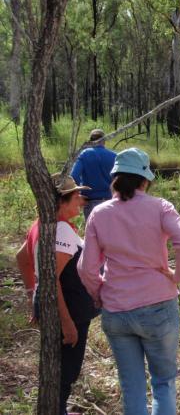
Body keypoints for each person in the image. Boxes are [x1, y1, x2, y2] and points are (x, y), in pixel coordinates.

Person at [78, 148, 180, 415]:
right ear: (145, 180)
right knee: (164, 382)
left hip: (117, 309)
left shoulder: (99, 213)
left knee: (131, 386)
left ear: (115, 179)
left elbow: (86, 268)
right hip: (158, 305)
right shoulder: (160, 207)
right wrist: (178, 276)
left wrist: (98, 294)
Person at [15, 173, 98, 415]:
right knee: (66, 370)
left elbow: (22, 259)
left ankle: (57, 409)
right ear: (62, 200)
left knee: (60, 366)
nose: (81, 200)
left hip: (65, 309)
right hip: (70, 312)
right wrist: (67, 322)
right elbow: (52, 280)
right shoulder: (59, 230)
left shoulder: (42, 224)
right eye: (76, 195)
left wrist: (35, 296)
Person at [71, 128, 117, 221]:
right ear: (104, 141)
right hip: (110, 202)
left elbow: (74, 176)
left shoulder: (84, 154)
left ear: (90, 141)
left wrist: (77, 194)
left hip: (91, 202)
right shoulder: (114, 156)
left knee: (92, 234)